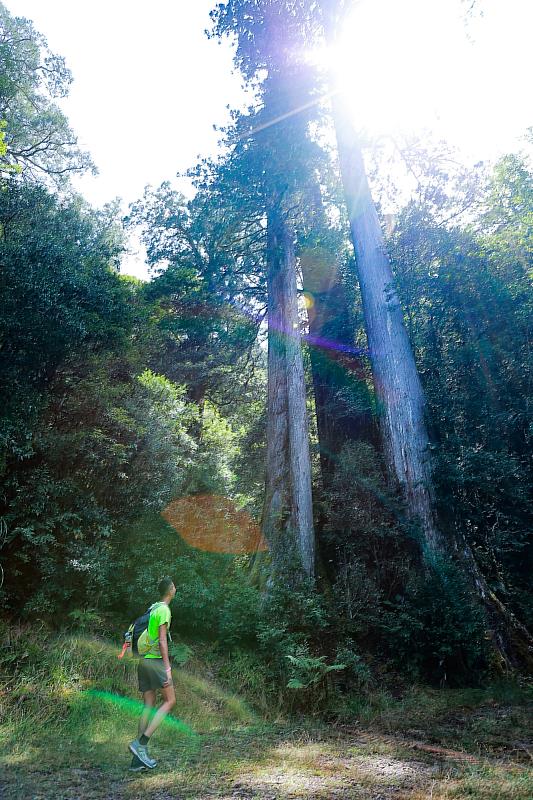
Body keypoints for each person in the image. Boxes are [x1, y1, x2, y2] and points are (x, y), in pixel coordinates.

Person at [129, 576, 177, 770]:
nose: (175, 588)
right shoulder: (164, 609)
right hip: (156, 662)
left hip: (143, 661)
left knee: (148, 704)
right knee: (170, 701)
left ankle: (136, 761)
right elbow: (162, 641)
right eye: (174, 586)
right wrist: (167, 668)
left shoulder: (153, 607)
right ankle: (141, 744)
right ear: (170, 590)